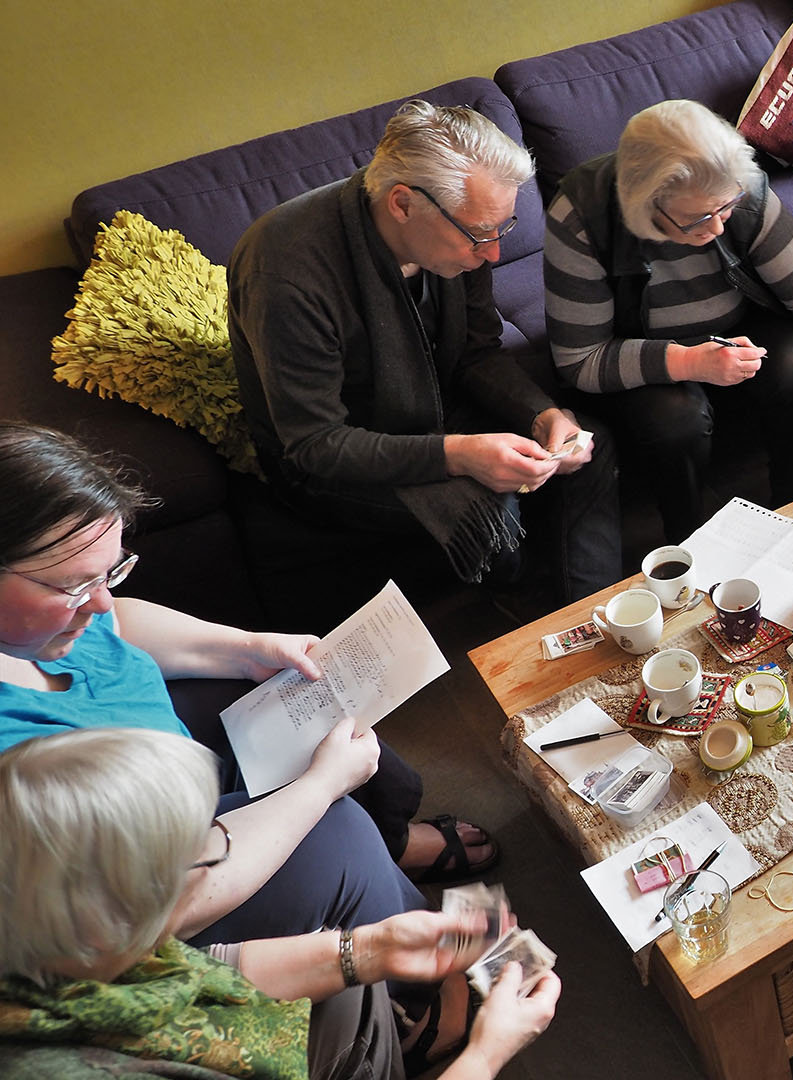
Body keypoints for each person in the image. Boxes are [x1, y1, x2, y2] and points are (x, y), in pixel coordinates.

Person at [0, 421, 497, 945]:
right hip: (155, 893)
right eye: (74, 587)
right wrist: (319, 789)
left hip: (181, 790)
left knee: (299, 695)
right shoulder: (19, 776)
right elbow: (143, 911)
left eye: (110, 573)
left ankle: (388, 846)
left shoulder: (57, 621)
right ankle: (417, 1000)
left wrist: (244, 649)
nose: (98, 601)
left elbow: (116, 622)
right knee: (336, 835)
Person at [230, 100, 621, 620]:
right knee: (488, 509)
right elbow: (314, 446)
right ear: (402, 204)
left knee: (588, 445)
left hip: (436, 400)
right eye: (481, 234)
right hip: (341, 451)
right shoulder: (287, 273)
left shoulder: (466, 237)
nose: (493, 255)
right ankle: (526, 607)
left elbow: (477, 352)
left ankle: (599, 618)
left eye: (501, 230)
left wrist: (544, 416)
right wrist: (461, 454)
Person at [0, 727, 560, 1080]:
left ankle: (397, 1044)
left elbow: (197, 973)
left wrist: (367, 949)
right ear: (106, 922)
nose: (225, 852)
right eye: (203, 853)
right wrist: (485, 1057)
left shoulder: (49, 941)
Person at [544, 102, 793, 538]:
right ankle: (688, 537)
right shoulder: (581, 214)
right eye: (698, 218)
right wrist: (689, 362)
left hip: (740, 324)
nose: (719, 229)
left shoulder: (744, 189)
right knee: (675, 419)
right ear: (644, 203)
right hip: (638, 349)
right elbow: (579, 359)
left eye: (726, 208)